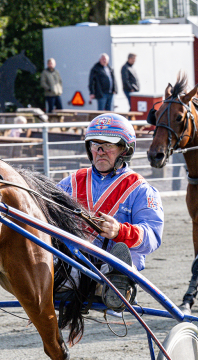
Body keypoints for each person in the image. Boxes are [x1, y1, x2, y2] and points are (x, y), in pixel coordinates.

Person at [57, 113, 163, 310]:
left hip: (113, 264)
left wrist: (120, 231)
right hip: (75, 262)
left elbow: (153, 237)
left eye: (109, 145)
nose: (100, 151)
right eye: (95, 145)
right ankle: (83, 284)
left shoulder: (141, 189)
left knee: (117, 258)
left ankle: (114, 287)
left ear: (125, 149)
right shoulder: (70, 182)